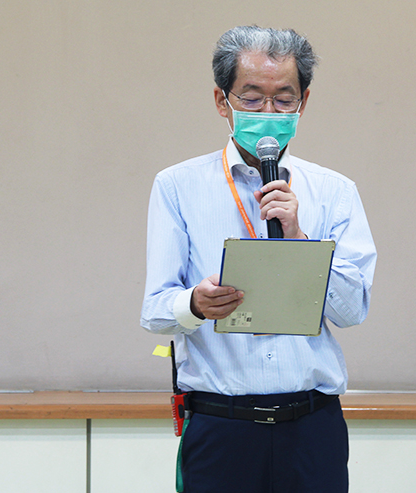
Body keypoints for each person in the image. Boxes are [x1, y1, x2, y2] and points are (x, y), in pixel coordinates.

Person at [141, 25, 377, 493]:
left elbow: (352, 311)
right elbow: (155, 312)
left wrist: (302, 238)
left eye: (283, 99)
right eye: (251, 98)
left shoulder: (334, 191)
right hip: (220, 427)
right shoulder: (177, 186)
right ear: (221, 101)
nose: (268, 112)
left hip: (311, 427)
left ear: (303, 103)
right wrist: (194, 304)